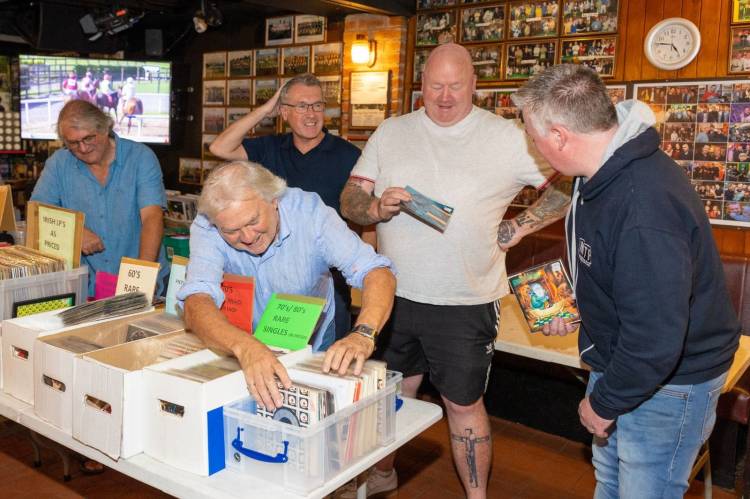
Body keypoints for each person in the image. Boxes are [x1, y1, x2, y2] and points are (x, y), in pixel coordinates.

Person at [338, 43, 570, 499]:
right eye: (435, 86)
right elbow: (350, 198)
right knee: (390, 395)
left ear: (474, 86)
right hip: (393, 297)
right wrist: (376, 208)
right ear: (421, 85)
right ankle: (381, 474)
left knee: (463, 404)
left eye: (456, 86)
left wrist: (520, 226)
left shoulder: (509, 136)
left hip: (466, 301)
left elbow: (568, 182)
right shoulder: (391, 131)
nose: (445, 97)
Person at [511, 64, 740, 499]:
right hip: (623, 363)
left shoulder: (642, 206)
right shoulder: (598, 170)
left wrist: (604, 403)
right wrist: (578, 310)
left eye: (532, 136)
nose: (533, 146)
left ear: (559, 135)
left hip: (668, 383)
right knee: (612, 483)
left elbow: (656, 337)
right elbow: (621, 279)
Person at [176, 161, 396, 410]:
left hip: (312, 341)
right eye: (232, 231)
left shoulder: (311, 214)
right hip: (239, 340)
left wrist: (363, 334)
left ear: (273, 201)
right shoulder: (209, 222)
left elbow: (376, 272)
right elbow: (196, 301)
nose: (247, 237)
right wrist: (246, 347)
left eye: (253, 221)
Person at [209, 73, 361, 343]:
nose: (311, 114)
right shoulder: (270, 147)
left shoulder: (348, 155)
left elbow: (363, 222)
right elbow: (220, 147)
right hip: (270, 284)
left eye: (317, 105)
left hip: (326, 283)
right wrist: (265, 110)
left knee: (323, 360)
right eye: (301, 106)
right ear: (284, 112)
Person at [30, 99, 169, 297]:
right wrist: (74, 231)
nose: (83, 148)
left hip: (141, 277)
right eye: (73, 143)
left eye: (88, 138)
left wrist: (141, 278)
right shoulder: (59, 163)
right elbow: (37, 212)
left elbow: (152, 217)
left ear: (104, 128)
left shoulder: (140, 157)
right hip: (88, 287)